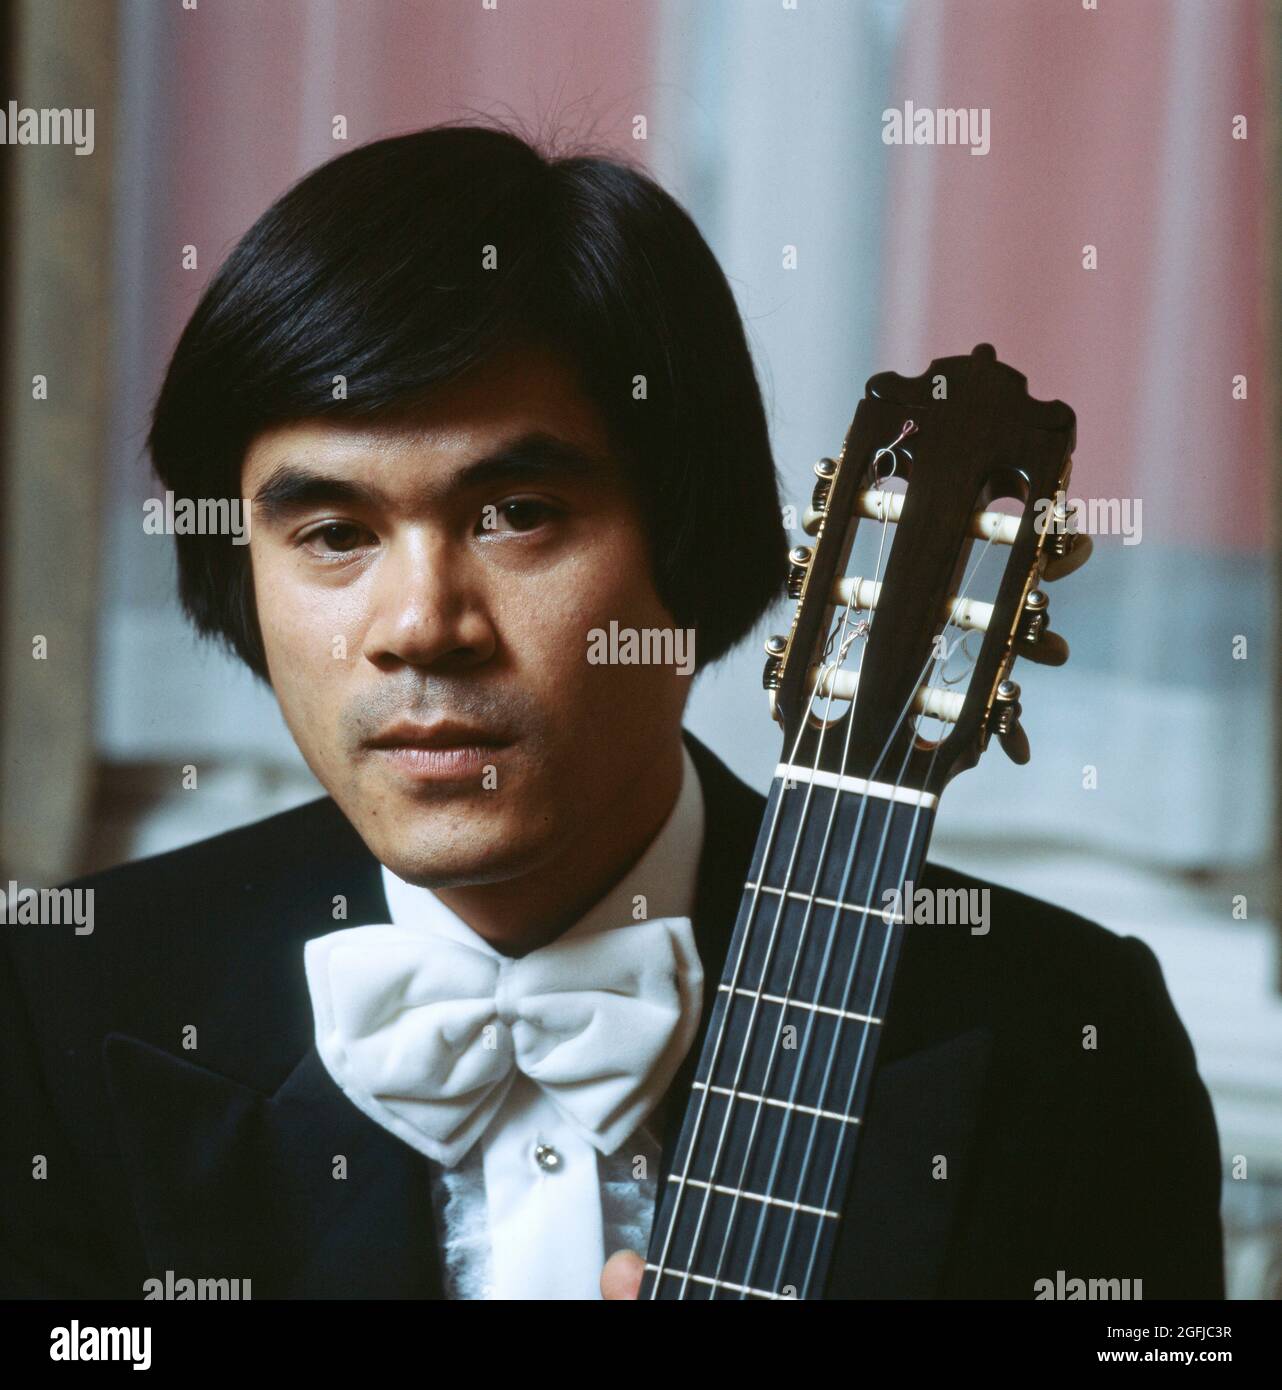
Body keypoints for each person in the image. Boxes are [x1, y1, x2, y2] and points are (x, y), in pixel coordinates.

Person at [0, 125, 1223, 1301]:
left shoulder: (1068, 1039)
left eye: (517, 514)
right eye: (332, 534)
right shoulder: (63, 1004)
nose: (421, 624)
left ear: (684, 546)